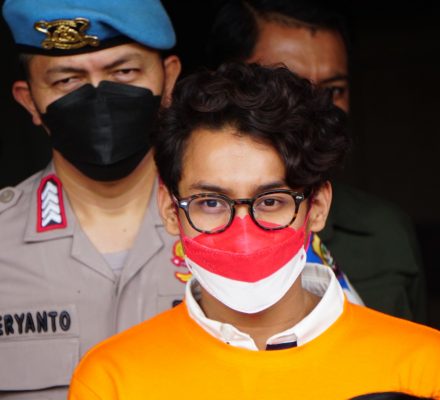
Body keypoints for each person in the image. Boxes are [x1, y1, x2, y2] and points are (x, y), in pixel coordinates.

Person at [68, 62, 440, 400]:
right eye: (211, 202)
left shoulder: (424, 367)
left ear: (317, 207)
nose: (243, 232)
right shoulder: (112, 380)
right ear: (169, 209)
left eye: (271, 200)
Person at [0, 0, 184, 398]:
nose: (99, 97)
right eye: (68, 80)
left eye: (124, 72)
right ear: (29, 100)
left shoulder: (234, 225)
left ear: (169, 79)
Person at [202, 0, 427, 323]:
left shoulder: (384, 231)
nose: (317, 109)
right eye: (289, 85)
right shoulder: (192, 230)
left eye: (333, 91)